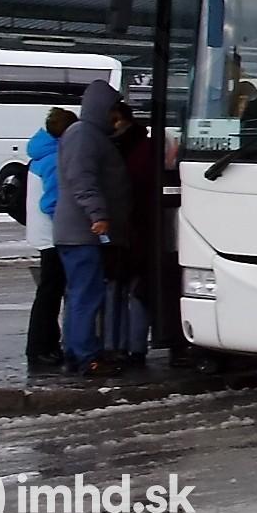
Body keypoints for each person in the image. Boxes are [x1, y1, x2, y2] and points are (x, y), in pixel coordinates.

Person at [54, 81, 130, 377]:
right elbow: (82, 179)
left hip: (80, 232)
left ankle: (77, 353)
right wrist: (98, 214)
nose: (115, 116)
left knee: (80, 294)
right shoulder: (84, 135)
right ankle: (86, 356)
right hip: (82, 232)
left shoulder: (87, 134)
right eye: (112, 109)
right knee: (86, 295)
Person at [23, 108, 75, 369]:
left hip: (44, 234)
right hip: (53, 236)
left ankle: (44, 345)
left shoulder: (41, 154)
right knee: (50, 293)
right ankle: (41, 347)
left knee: (48, 292)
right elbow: (52, 202)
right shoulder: (55, 159)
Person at [107, 101, 157, 363]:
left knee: (130, 288)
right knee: (130, 289)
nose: (113, 126)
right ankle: (129, 345)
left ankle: (128, 346)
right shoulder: (136, 146)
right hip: (133, 228)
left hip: (133, 228)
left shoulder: (124, 149)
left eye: (116, 121)